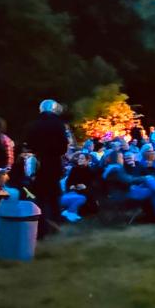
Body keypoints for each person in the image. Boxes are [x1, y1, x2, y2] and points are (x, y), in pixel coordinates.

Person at [27, 99, 69, 237]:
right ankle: (55, 223)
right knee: (54, 194)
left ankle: (41, 226)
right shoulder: (59, 124)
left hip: (39, 163)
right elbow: (64, 145)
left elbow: (30, 143)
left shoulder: (34, 124)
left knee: (40, 195)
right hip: (54, 163)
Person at [102, 151, 155, 223]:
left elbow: (126, 179)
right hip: (125, 194)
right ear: (116, 159)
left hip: (124, 191)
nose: (123, 160)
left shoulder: (111, 168)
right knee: (152, 188)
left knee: (149, 182)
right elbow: (128, 180)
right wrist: (144, 178)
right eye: (121, 158)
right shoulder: (115, 169)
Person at [61, 153, 94, 222]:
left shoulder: (91, 171)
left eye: (82, 158)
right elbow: (69, 181)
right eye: (79, 158)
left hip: (85, 192)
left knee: (82, 198)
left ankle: (69, 212)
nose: (79, 160)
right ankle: (71, 212)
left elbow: (92, 185)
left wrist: (85, 187)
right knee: (77, 197)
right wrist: (71, 185)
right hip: (73, 191)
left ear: (87, 160)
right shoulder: (74, 169)